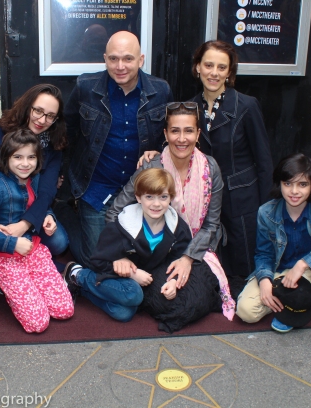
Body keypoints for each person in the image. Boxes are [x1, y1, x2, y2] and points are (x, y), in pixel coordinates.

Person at [108, 102, 238, 310]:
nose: (181, 138)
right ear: (166, 134)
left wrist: (187, 257)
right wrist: (121, 254)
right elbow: (115, 211)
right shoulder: (152, 165)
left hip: (198, 248)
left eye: (188, 131)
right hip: (155, 250)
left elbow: (211, 224)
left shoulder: (210, 168)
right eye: (175, 131)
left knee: (193, 298)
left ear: (197, 135)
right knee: (166, 301)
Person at [62, 30, 173, 270]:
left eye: (128, 59)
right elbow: (67, 130)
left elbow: (170, 135)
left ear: (141, 60)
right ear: (105, 59)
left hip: (137, 193)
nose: (120, 66)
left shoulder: (160, 91)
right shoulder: (86, 87)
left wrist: (158, 150)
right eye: (113, 59)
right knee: (99, 262)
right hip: (95, 189)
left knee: (139, 262)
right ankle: (69, 217)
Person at [65, 168, 227, 332]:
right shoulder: (122, 226)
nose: (156, 204)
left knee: (124, 313)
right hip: (121, 278)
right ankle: (78, 275)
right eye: (149, 197)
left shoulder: (177, 226)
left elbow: (177, 258)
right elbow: (98, 260)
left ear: (171, 198)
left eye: (163, 197)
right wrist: (124, 268)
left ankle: (83, 289)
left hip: (146, 280)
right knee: (133, 294)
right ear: (138, 198)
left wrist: (173, 281)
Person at [0, 129, 74, 333]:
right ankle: (7, 284)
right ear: (6, 158)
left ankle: (31, 285)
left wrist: (48, 215)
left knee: (64, 310)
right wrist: (13, 243)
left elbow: (37, 205)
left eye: (31, 157)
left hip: (33, 250)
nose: (25, 163)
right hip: (4, 256)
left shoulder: (33, 179)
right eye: (17, 157)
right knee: (37, 324)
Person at [236, 153, 311, 333]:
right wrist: (265, 281)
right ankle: (304, 292)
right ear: (280, 184)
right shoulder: (266, 212)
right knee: (246, 311)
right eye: (288, 184)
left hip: (310, 270)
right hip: (281, 272)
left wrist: (303, 264)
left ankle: (299, 297)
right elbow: (264, 253)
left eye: (303, 184)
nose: (294, 191)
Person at [190, 40, 273, 278]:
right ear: (197, 67)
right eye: (208, 65)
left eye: (221, 67)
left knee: (244, 266)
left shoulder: (246, 106)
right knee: (212, 261)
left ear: (229, 72)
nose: (214, 73)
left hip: (242, 201)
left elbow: (264, 162)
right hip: (206, 198)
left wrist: (267, 209)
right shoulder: (191, 107)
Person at [0, 84, 69, 259]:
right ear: (27, 106)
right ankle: (1, 266)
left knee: (58, 242)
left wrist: (26, 223)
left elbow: (46, 191)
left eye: (50, 116)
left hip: (27, 208)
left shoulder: (53, 145)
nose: (42, 120)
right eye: (38, 111)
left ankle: (26, 261)